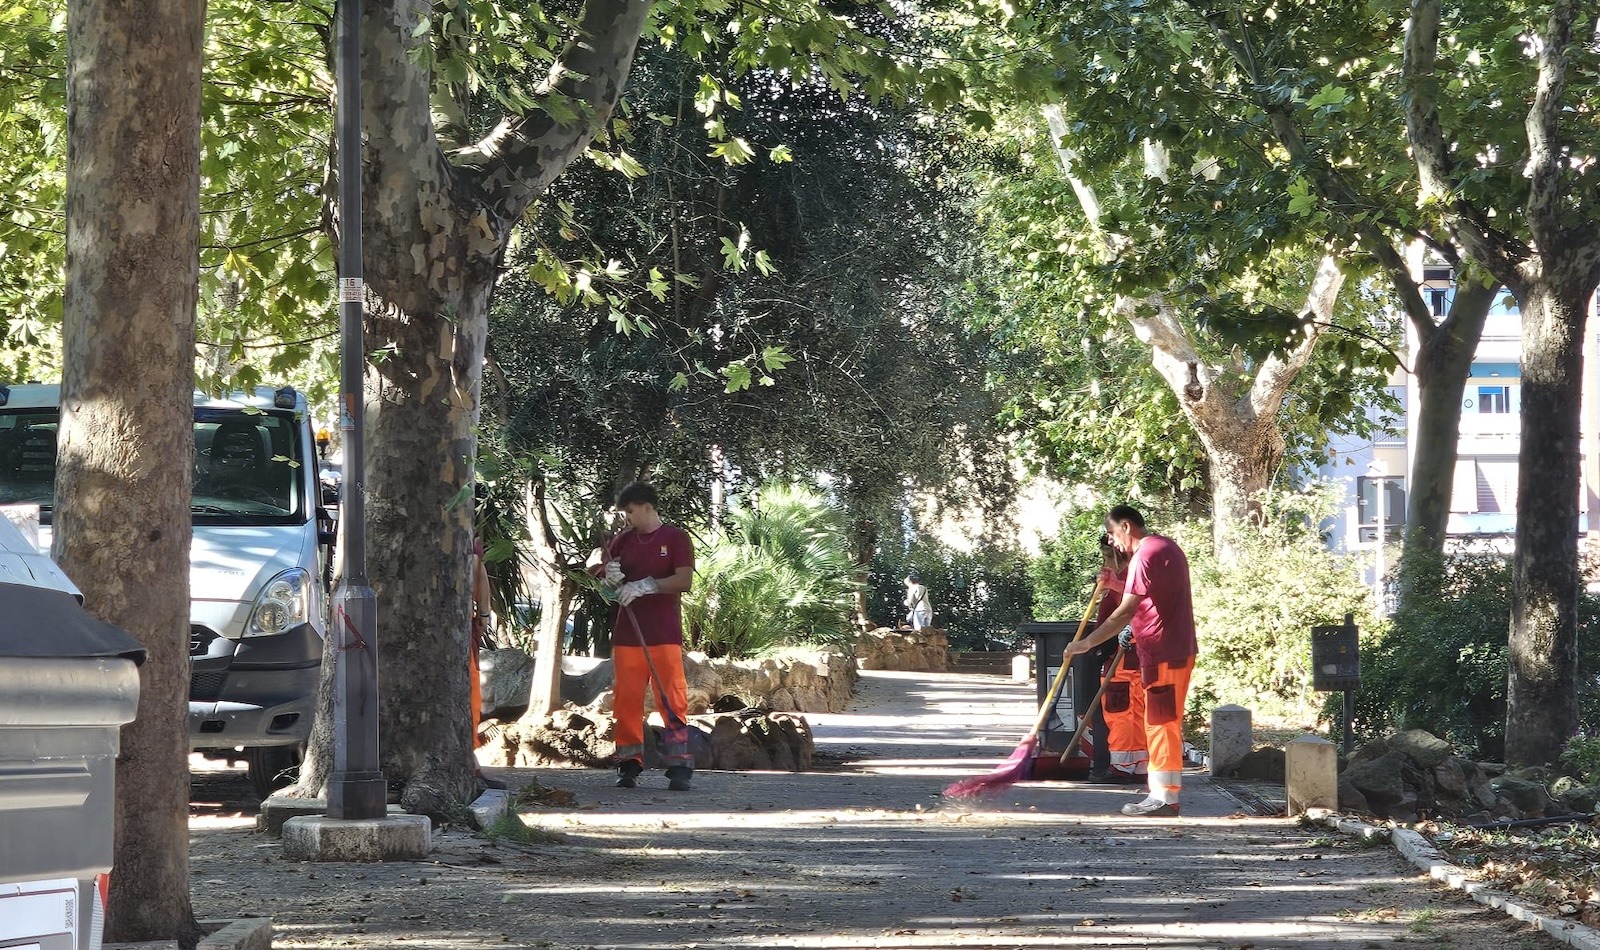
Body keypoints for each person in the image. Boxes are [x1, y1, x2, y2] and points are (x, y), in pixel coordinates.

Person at [1064, 505, 1196, 816]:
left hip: (1163, 653)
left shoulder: (1144, 555)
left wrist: (1085, 644)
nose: (1111, 542)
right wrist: (1115, 585)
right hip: (1170, 651)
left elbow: (1124, 611)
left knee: (1161, 723)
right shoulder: (1165, 547)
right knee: (1160, 722)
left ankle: (1164, 798)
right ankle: (1162, 794)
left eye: (1111, 533)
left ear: (1126, 526)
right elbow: (1150, 594)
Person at [599, 482, 696, 791]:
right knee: (626, 700)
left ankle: (679, 766)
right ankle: (628, 764)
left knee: (671, 698)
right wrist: (607, 575)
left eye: (629, 511)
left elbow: (684, 580)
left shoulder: (675, 538)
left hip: (663, 633)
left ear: (646, 507)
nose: (626, 518)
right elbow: (600, 573)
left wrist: (646, 586)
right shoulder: (622, 541)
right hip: (627, 634)